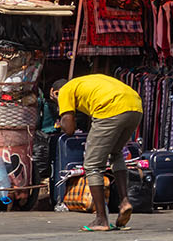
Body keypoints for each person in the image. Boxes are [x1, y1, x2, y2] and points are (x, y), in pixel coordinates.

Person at [54, 73, 142, 232]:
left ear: (55, 92)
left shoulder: (65, 91)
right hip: (135, 105)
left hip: (110, 109)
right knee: (116, 153)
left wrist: (60, 113)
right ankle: (124, 202)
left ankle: (101, 219)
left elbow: (69, 130)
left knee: (92, 164)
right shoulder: (84, 82)